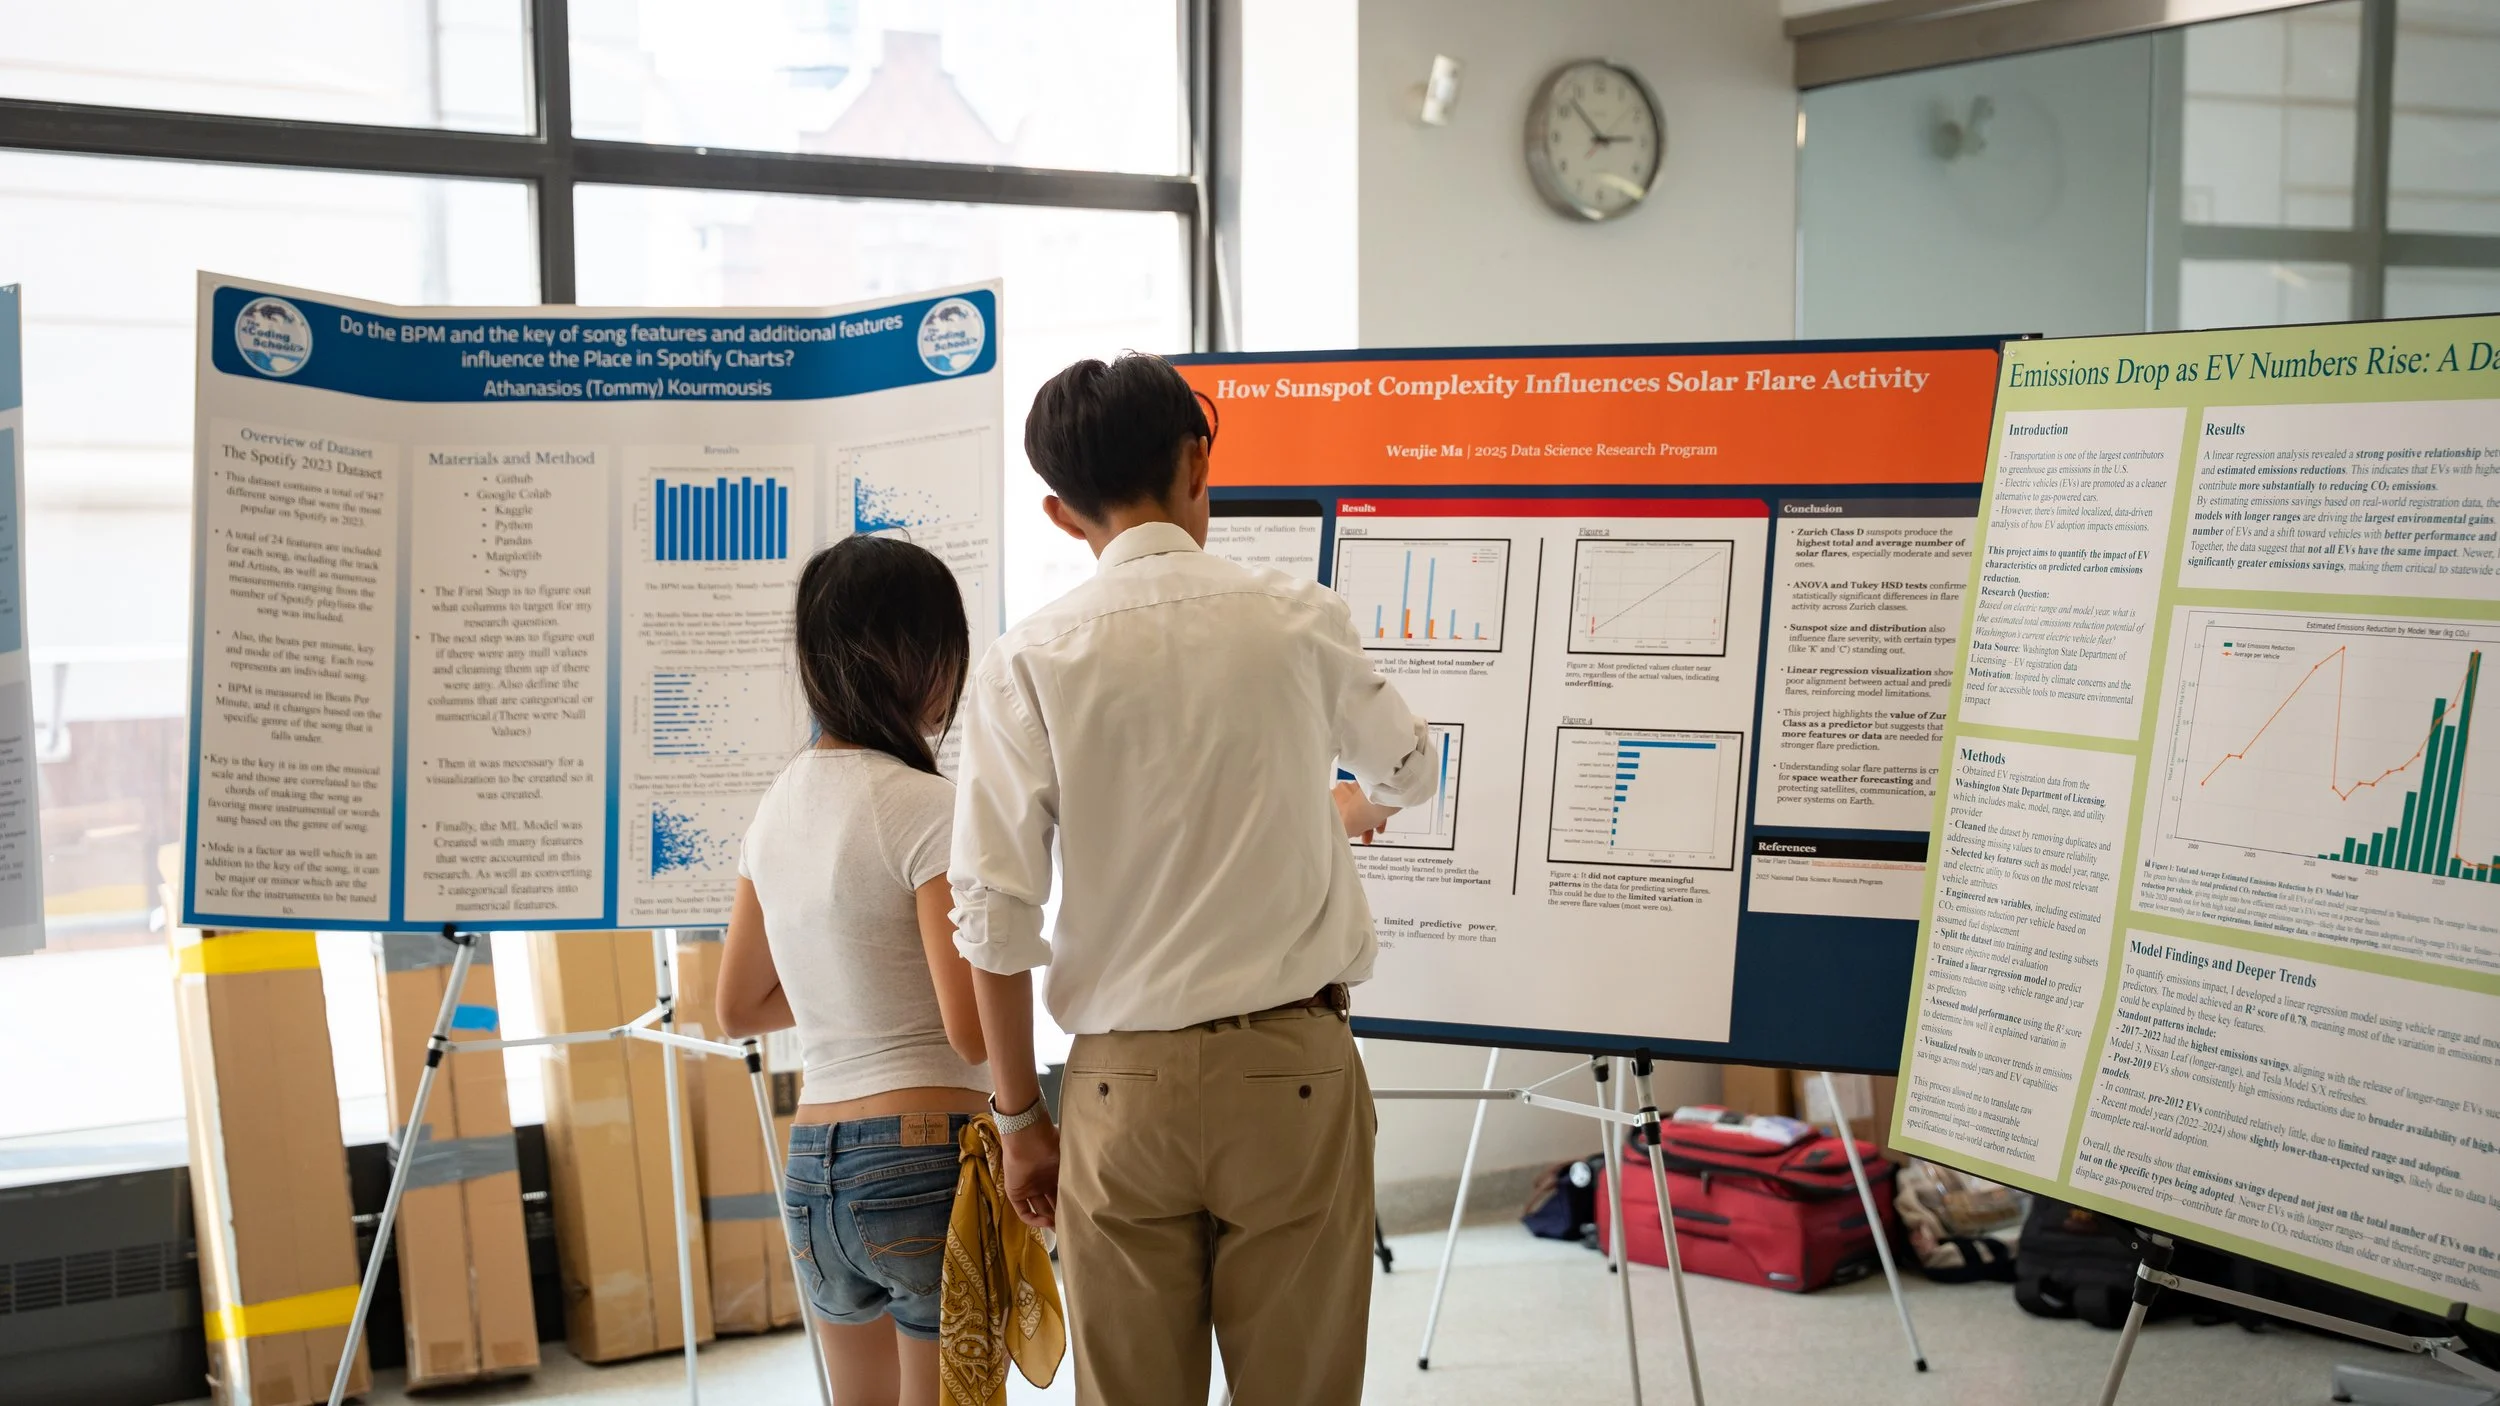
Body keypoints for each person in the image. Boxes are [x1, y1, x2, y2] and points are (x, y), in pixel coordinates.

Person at [949, 352, 1438, 1404]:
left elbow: (992, 914)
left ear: (1056, 510)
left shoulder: (1027, 657)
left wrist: (1020, 1116)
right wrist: (1343, 806)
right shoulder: (1295, 613)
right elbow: (1409, 767)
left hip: (1121, 1088)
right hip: (1293, 1068)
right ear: (1195, 458)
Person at [714, 535, 991, 1406]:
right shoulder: (924, 805)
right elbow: (970, 1028)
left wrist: (848, 988)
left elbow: (737, 1007)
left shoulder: (777, 806)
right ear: (925, 656)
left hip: (813, 1166)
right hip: (925, 1157)